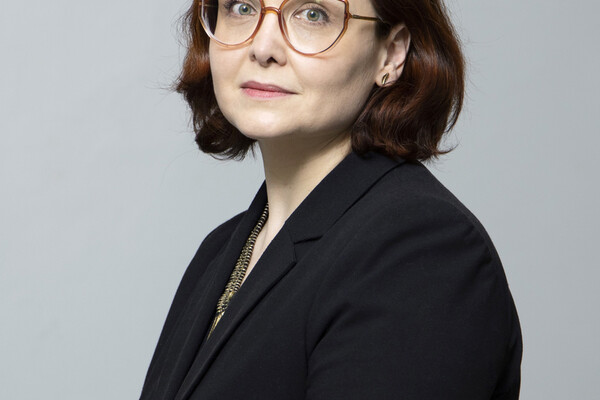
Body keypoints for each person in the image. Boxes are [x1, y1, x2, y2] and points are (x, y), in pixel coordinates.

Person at [139, 0, 523, 398]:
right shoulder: (220, 251)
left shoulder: (422, 251)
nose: (262, 47)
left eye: (313, 14)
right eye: (242, 7)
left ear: (391, 53)